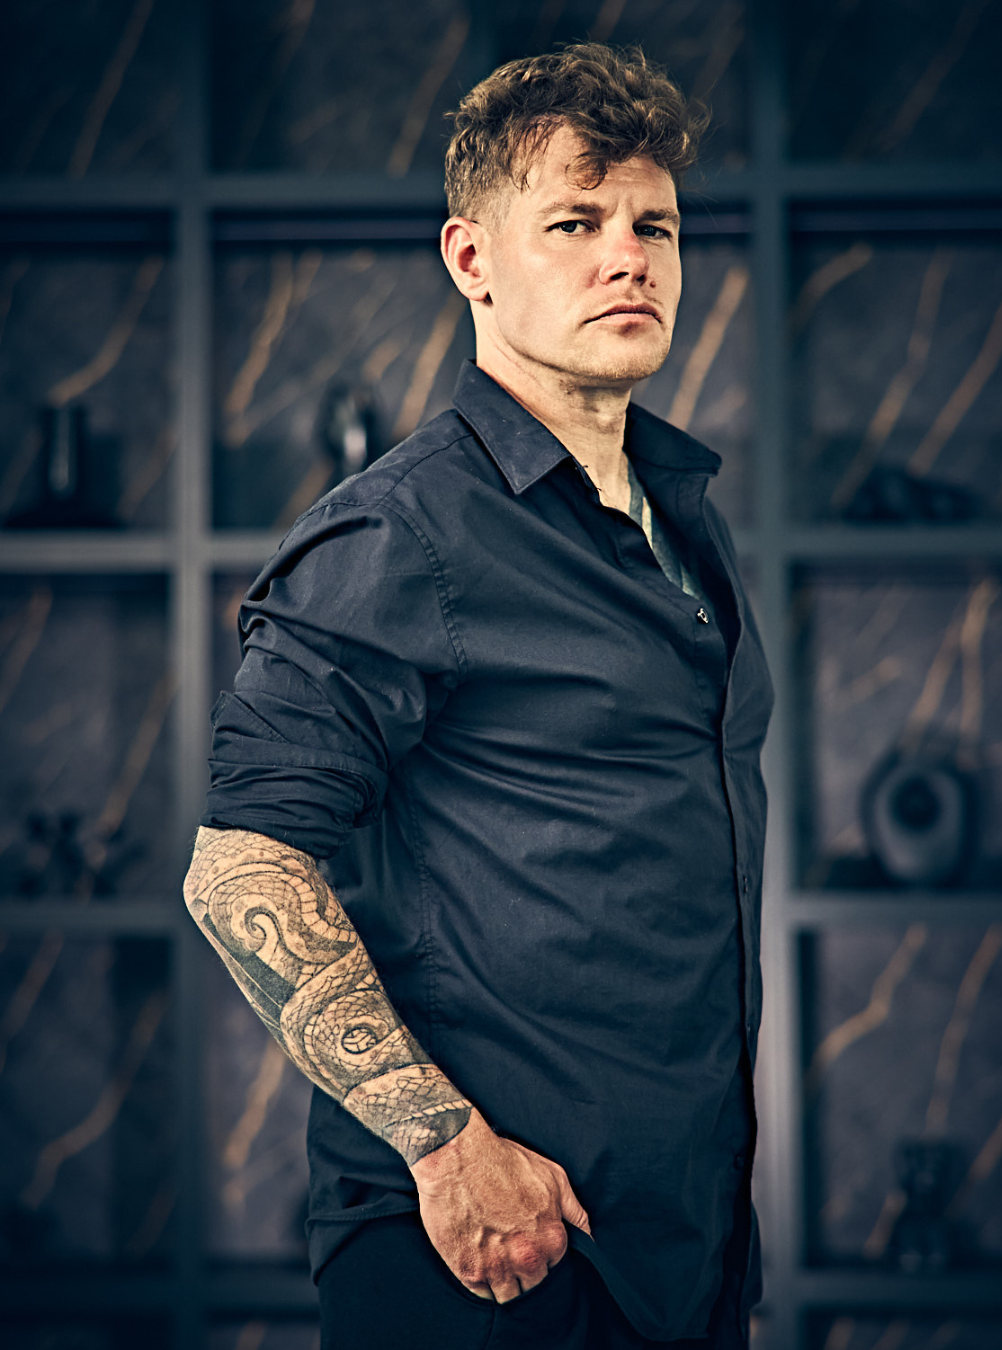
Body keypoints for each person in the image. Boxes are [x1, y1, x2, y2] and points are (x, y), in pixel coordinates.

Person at [185, 42, 772, 1350]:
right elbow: (240, 868)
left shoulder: (682, 521)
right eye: (575, 221)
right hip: (490, 1263)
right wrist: (447, 1148)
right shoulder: (402, 533)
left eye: (652, 224)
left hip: (679, 1255)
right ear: (471, 259)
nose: (628, 255)